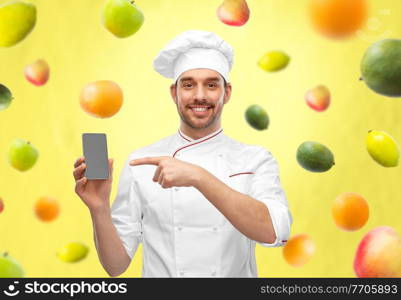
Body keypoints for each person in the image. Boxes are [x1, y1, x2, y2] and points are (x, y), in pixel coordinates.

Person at [73, 30, 293, 278]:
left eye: (211, 85)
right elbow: (116, 266)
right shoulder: (141, 162)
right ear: (174, 93)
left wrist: (198, 177)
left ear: (227, 92)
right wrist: (99, 208)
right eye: (188, 85)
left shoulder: (255, 159)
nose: (199, 95)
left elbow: (276, 232)